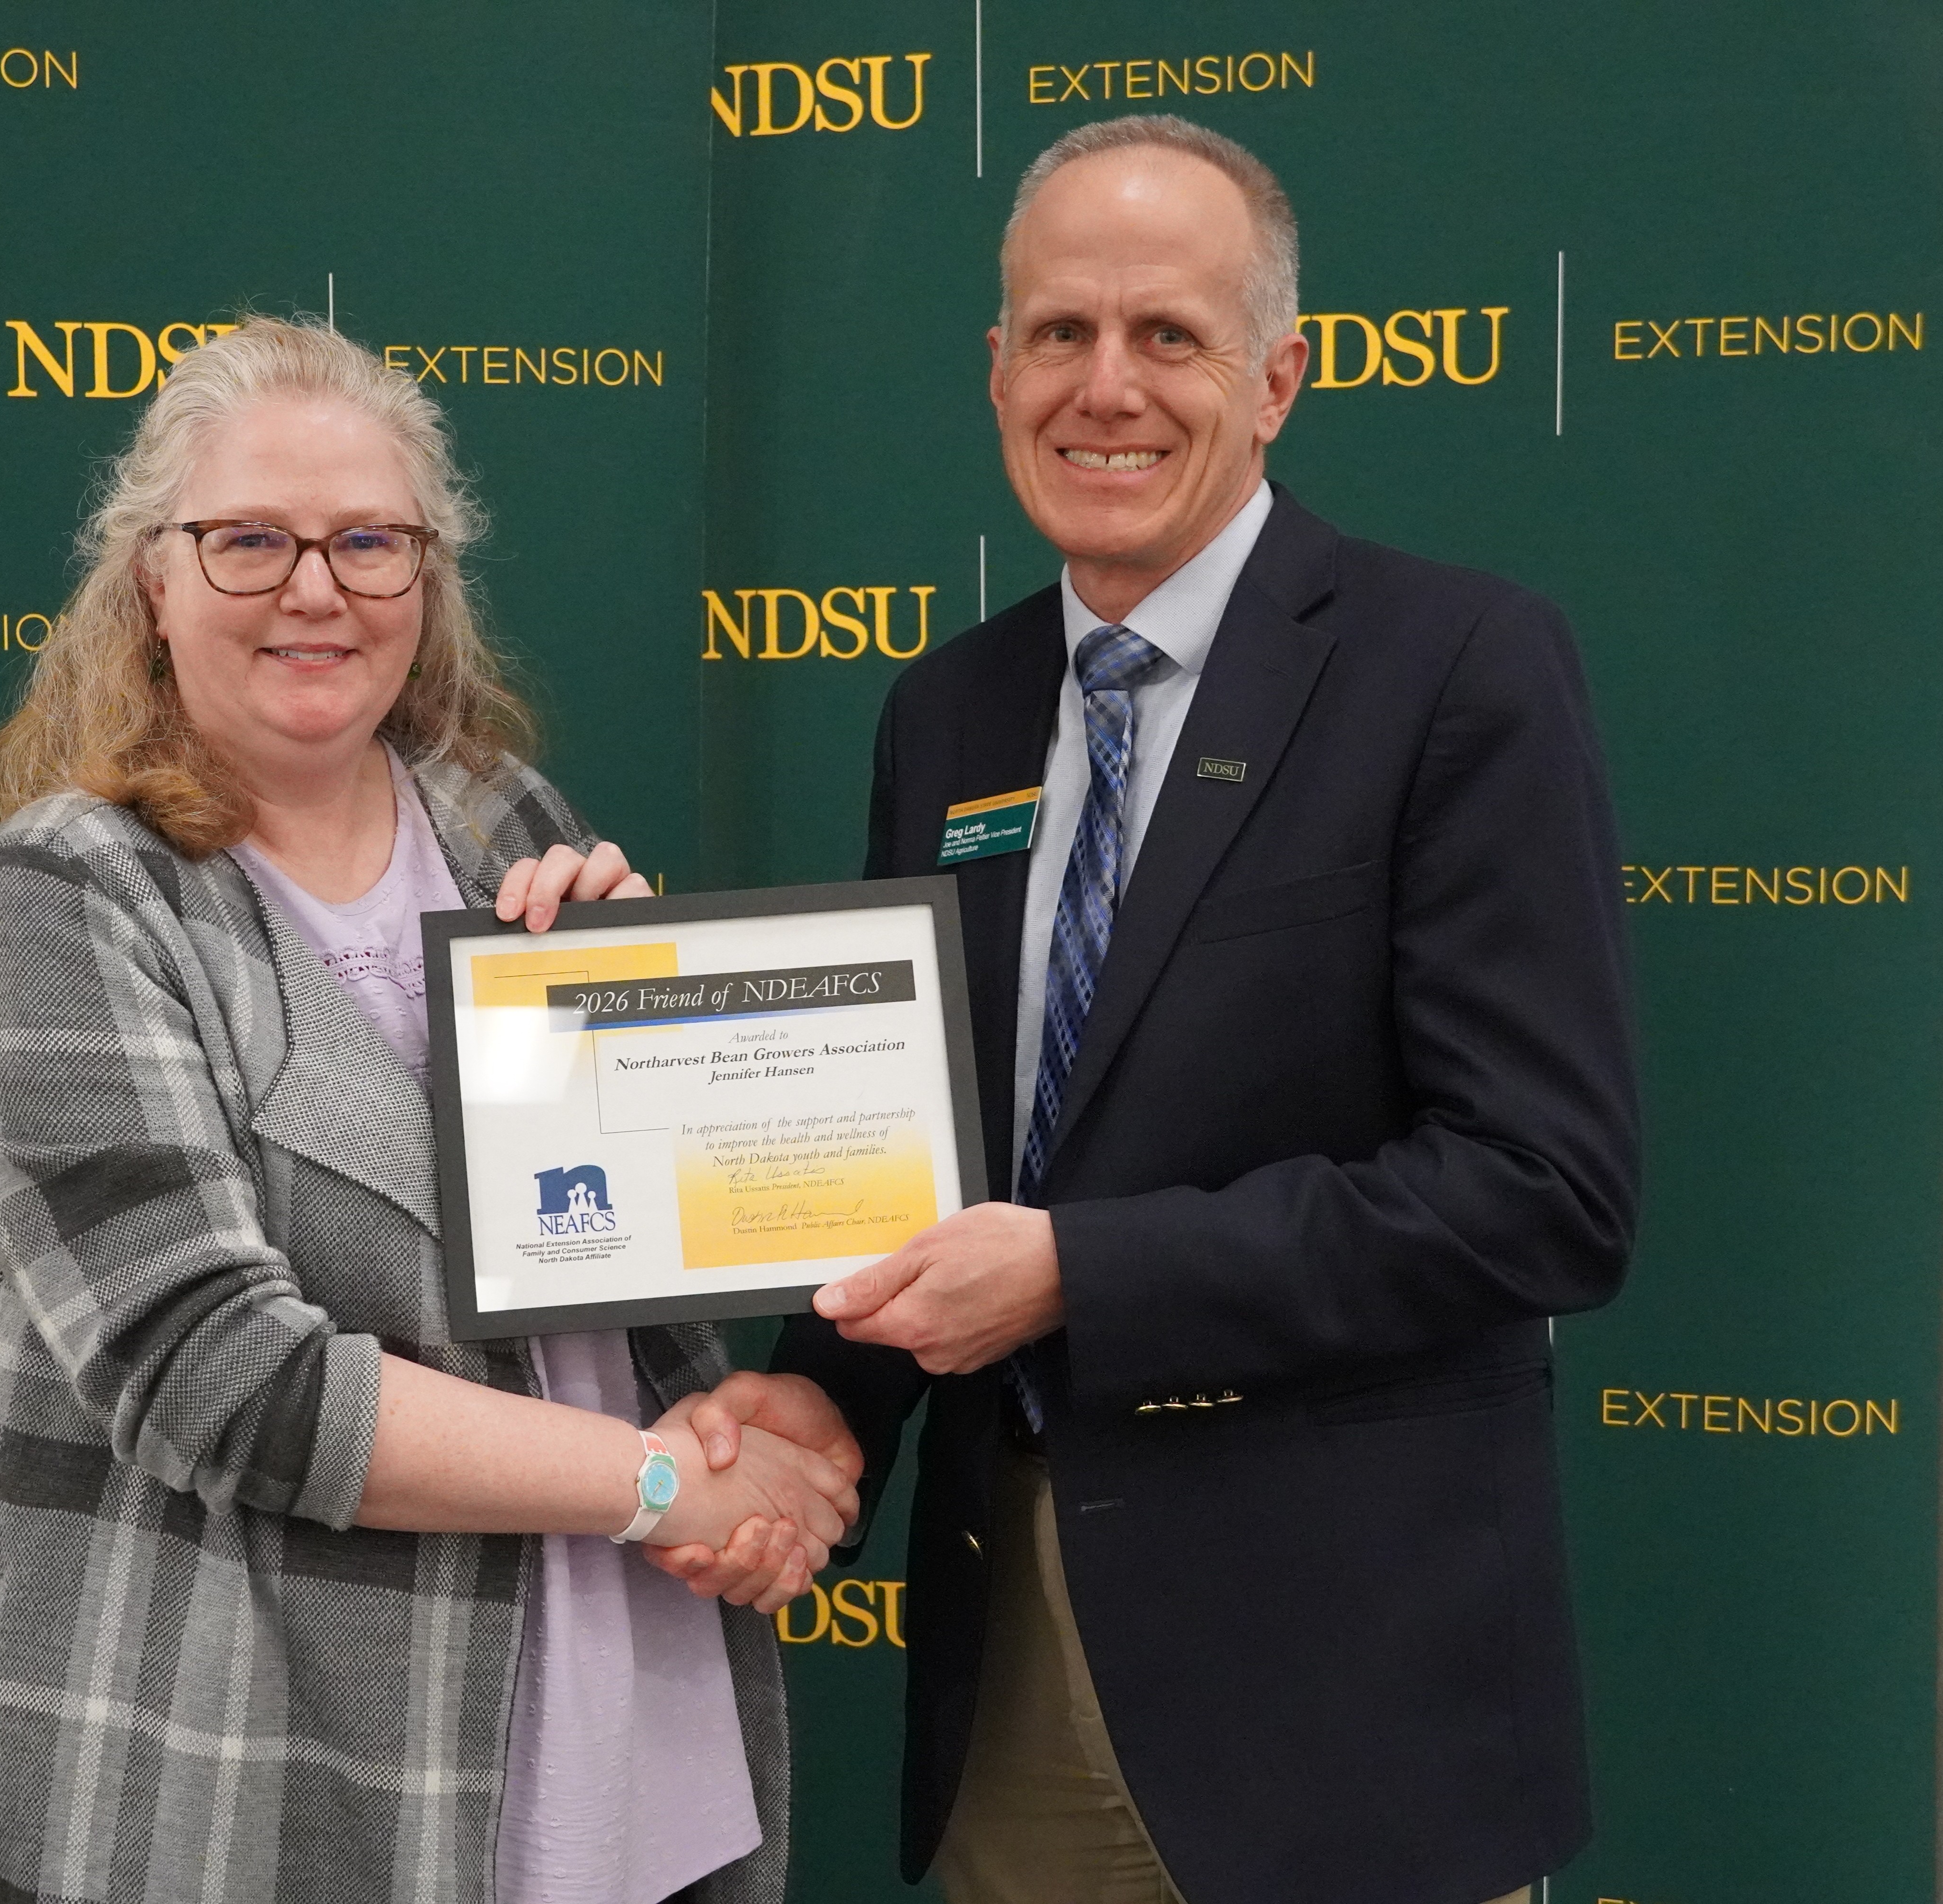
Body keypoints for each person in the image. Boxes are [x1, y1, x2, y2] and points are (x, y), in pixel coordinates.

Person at [668, 116, 1639, 1904]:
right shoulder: (948, 712)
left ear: (1279, 379)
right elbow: (923, 1156)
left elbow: (1544, 1192)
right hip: (1016, 1675)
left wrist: (1079, 1275)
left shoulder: (1453, 670)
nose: (1104, 388)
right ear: (998, 368)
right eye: (1061, 332)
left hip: (1346, 1703)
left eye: (1168, 336)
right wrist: (823, 1401)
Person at [0, 315, 864, 1904]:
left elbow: (604, 1281)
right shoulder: (66, 893)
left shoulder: (507, 825)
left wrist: (651, 1055)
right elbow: (220, 1378)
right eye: (249, 541)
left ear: (428, 581)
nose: (317, 588)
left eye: (370, 541)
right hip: (250, 1780)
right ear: (151, 579)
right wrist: (661, 1483)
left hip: (617, 1727)